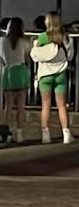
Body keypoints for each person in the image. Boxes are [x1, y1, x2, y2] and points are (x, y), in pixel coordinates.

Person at [30, 12, 74, 144]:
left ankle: (45, 135)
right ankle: (66, 134)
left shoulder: (42, 37)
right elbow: (70, 56)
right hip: (60, 74)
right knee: (61, 106)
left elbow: (36, 55)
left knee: (46, 105)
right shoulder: (65, 37)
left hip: (44, 75)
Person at [0, 17, 30, 143]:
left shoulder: (2, 41)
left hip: (8, 71)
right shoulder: (24, 42)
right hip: (21, 71)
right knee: (21, 106)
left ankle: (7, 132)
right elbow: (28, 55)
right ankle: (20, 132)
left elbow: (1, 56)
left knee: (8, 105)